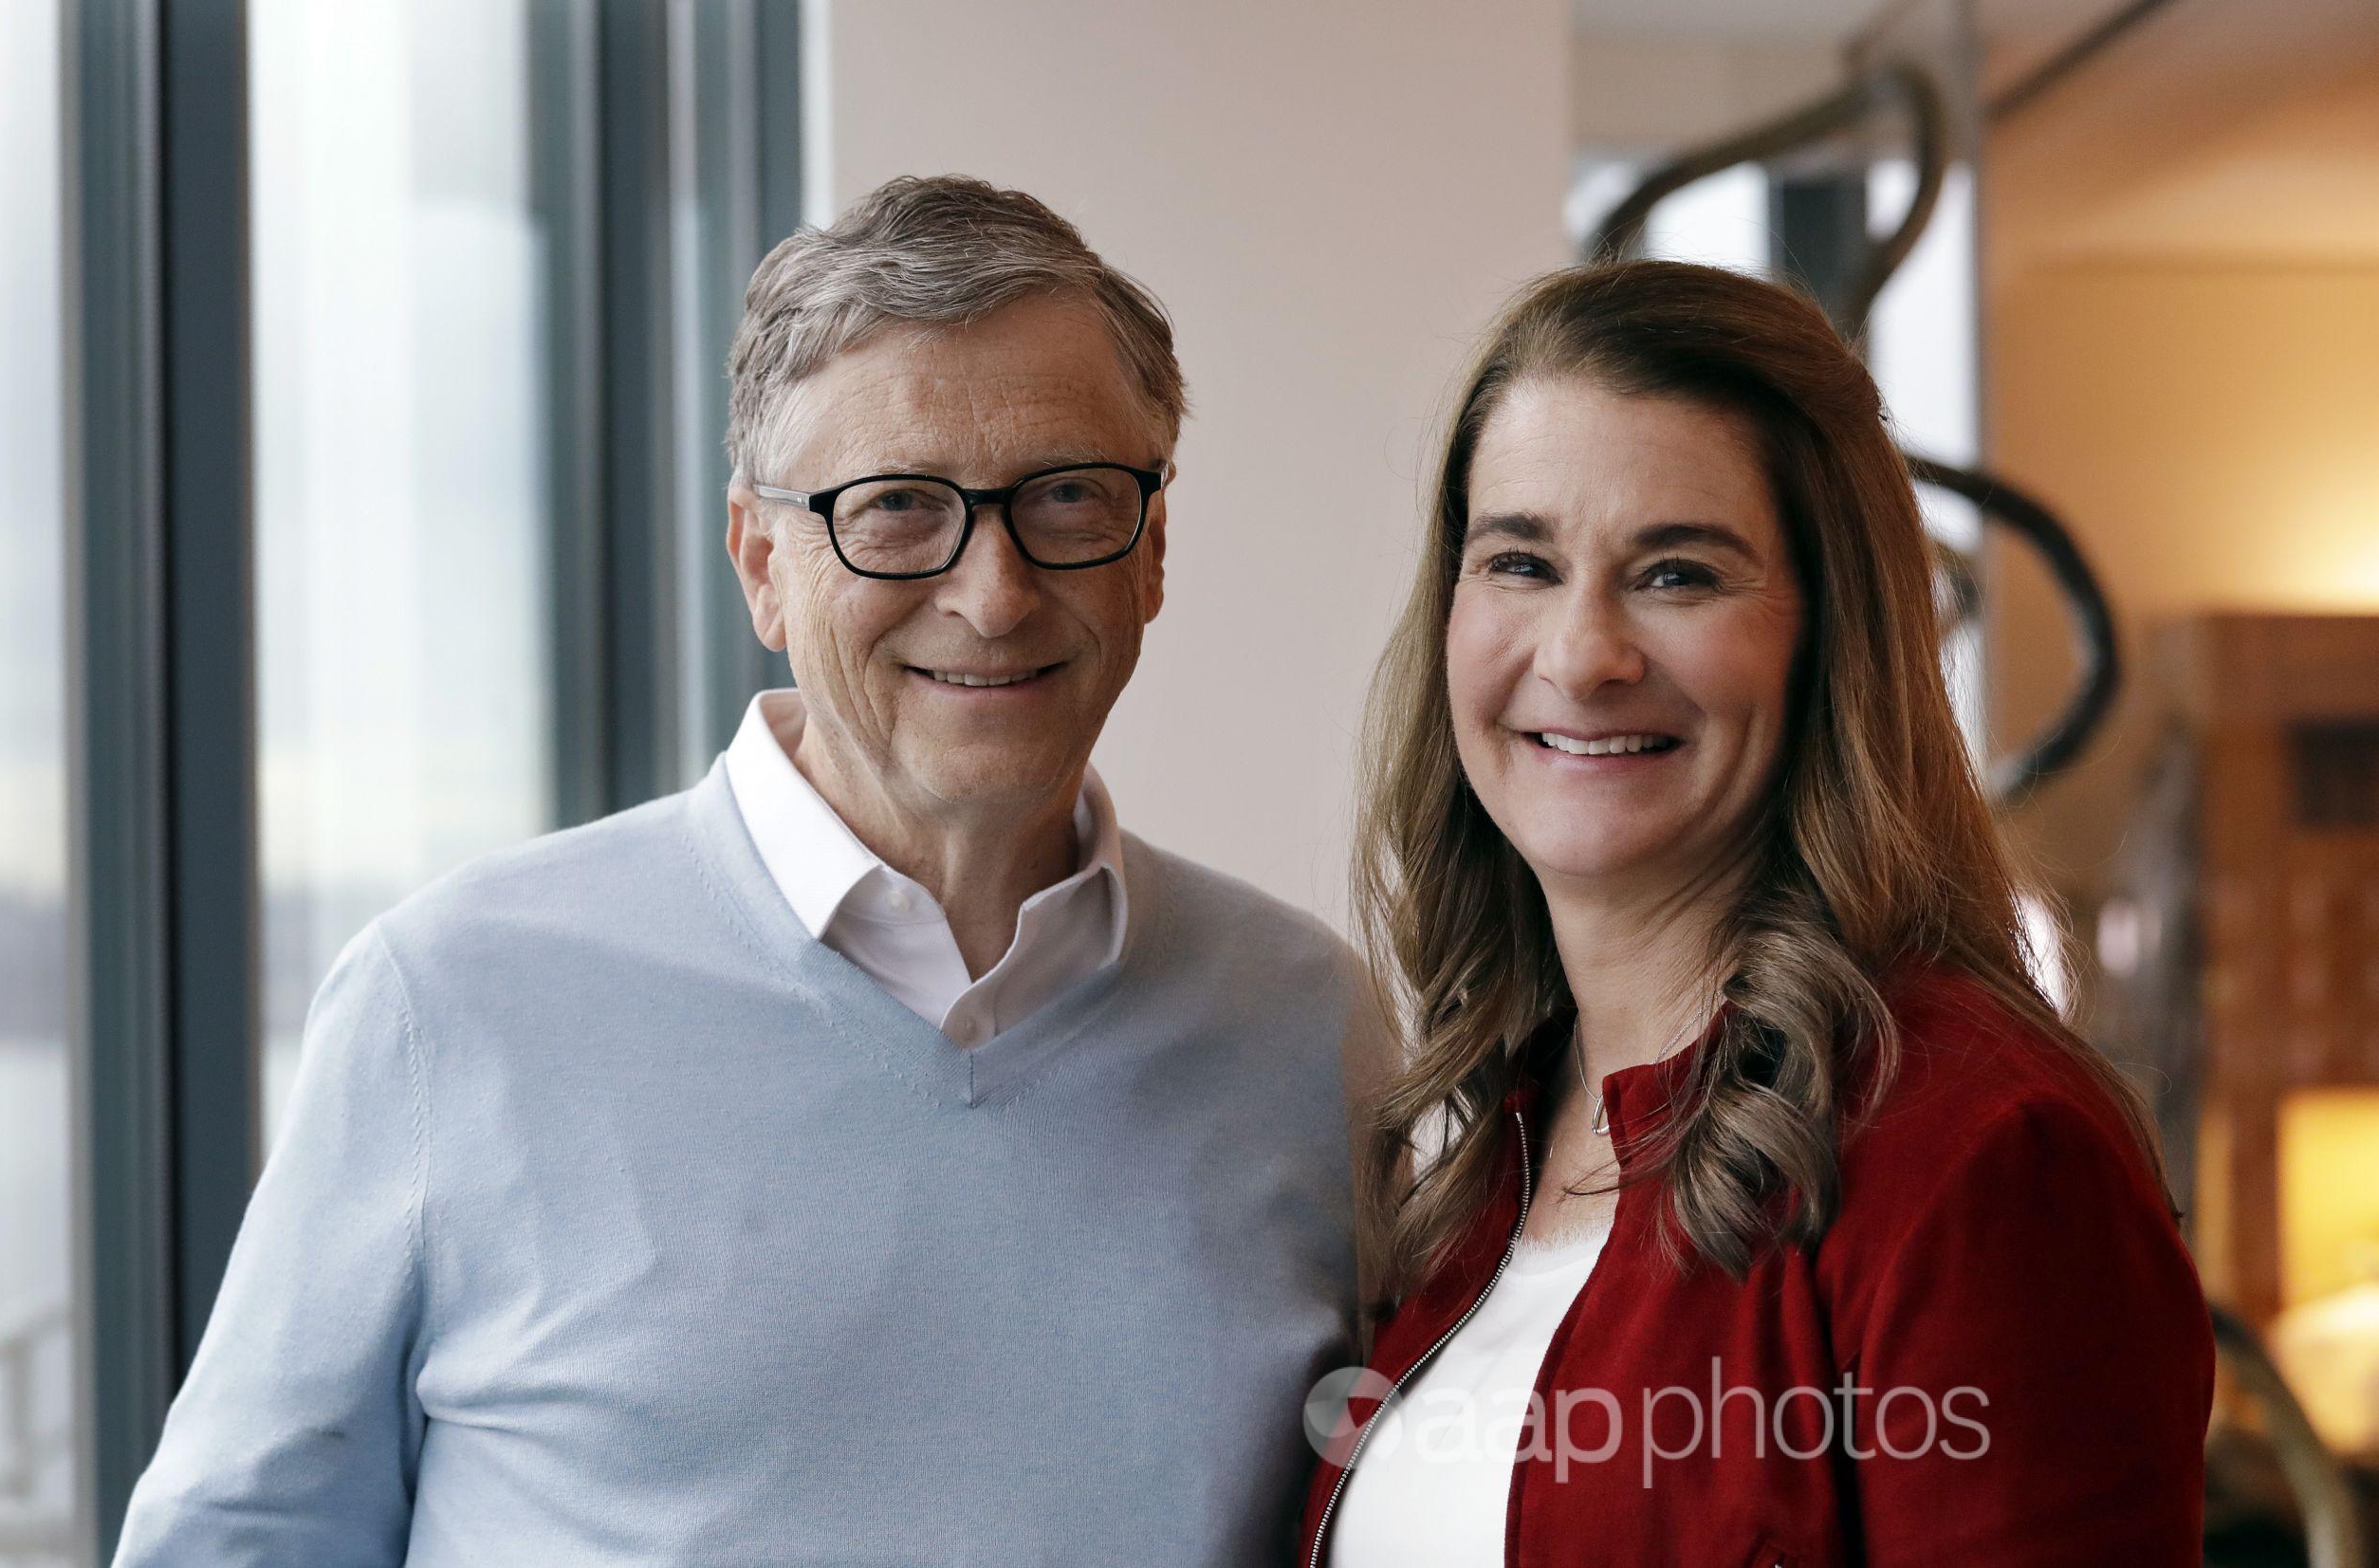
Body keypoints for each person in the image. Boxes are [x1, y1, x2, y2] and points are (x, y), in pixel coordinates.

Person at [116, 175, 1382, 1566]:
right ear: (762, 561)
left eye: (1068, 497)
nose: (993, 593)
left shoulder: (1306, 1025)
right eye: (896, 508)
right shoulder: (450, 1001)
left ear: (1152, 552)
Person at [1300, 259, 2214, 1566]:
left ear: (1830, 637)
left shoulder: (1986, 1154)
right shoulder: (1478, 1147)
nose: (1582, 653)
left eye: (1678, 574)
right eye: (1521, 562)